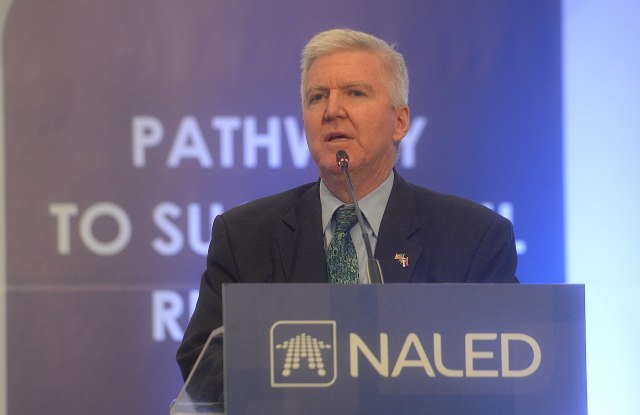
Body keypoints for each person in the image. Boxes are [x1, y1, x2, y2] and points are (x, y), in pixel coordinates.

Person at [176, 28, 518, 400]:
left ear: (400, 122)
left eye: (355, 93)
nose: (332, 110)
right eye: (317, 97)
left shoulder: (473, 238)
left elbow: (506, 370)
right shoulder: (244, 236)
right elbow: (202, 364)